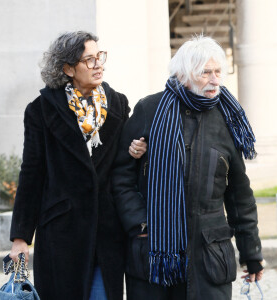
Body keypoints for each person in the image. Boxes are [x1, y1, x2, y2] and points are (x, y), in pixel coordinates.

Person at [112, 36, 264, 300]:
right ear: (183, 75)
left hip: (209, 259)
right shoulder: (149, 109)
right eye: (205, 73)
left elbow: (240, 195)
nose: (215, 80)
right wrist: (139, 222)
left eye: (218, 72)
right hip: (154, 254)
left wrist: (251, 254)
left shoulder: (227, 118)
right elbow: (121, 174)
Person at [9, 31, 146, 300]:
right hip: (61, 233)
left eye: (100, 57)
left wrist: (135, 150)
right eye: (89, 60)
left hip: (106, 231)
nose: (99, 65)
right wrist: (21, 237)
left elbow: (122, 163)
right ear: (68, 68)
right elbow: (31, 174)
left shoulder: (118, 104)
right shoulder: (40, 110)